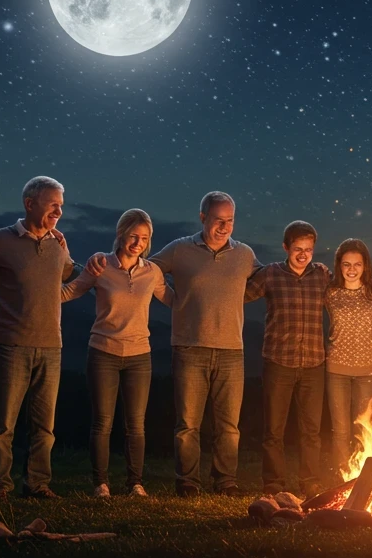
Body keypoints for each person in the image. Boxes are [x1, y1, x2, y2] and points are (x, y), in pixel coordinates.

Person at [144, 192, 261, 496]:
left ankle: (225, 482)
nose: (224, 226)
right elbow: (148, 270)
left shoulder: (245, 254)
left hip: (232, 351)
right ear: (202, 217)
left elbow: (262, 282)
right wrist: (173, 299)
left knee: (228, 427)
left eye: (230, 220)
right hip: (189, 348)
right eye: (218, 219)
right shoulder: (181, 249)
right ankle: (188, 482)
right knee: (187, 425)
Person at [0, 176, 76, 500]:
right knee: (3, 424)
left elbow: (67, 274)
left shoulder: (58, 243)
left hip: (51, 345)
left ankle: (37, 484)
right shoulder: (0, 240)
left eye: (61, 205)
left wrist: (98, 267)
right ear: (30, 203)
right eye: (53, 204)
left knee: (44, 428)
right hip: (11, 344)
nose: (58, 211)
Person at [62, 209, 172, 498]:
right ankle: (101, 483)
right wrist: (38, 292)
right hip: (103, 352)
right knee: (103, 422)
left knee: (136, 424)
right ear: (121, 234)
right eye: (134, 236)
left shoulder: (152, 272)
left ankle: (135, 483)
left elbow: (175, 300)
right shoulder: (100, 266)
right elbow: (72, 290)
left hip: (140, 356)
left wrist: (204, 295)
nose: (138, 242)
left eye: (145, 238)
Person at [246, 221, 332, 496]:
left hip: (313, 363)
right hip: (278, 361)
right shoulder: (270, 274)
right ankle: (274, 484)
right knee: (274, 430)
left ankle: (309, 482)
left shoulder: (321, 275)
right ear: (286, 247)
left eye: (308, 249)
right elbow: (239, 294)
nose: (303, 254)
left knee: (311, 431)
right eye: (298, 248)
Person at [324, 238, 372, 477]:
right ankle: (343, 477)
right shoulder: (330, 292)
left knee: (365, 429)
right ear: (339, 265)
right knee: (340, 430)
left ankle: (363, 478)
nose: (351, 269)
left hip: (368, 370)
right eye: (346, 264)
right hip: (336, 368)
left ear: (365, 266)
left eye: (356, 264)